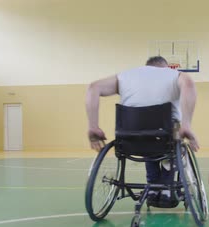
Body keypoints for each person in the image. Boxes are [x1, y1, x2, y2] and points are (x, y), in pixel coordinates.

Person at [85, 56, 199, 207]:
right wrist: (186, 125)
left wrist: (93, 126)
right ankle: (166, 188)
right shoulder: (174, 74)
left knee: (145, 138)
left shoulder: (125, 76)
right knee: (169, 138)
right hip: (164, 136)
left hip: (129, 137)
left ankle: (152, 187)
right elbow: (189, 84)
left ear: (146, 67)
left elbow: (93, 87)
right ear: (165, 67)